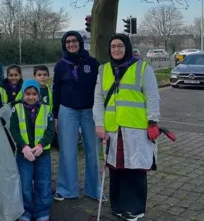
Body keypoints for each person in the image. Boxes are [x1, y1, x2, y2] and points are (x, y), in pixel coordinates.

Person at [93, 34, 160, 221]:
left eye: (120, 46)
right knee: (115, 168)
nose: (116, 50)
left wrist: (153, 121)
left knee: (135, 169)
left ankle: (135, 209)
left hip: (136, 129)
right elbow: (98, 99)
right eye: (113, 46)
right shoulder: (103, 70)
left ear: (127, 47)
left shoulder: (143, 68)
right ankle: (118, 206)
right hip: (113, 129)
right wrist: (99, 124)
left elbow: (152, 97)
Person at [53, 31, 101, 202]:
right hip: (67, 110)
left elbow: (100, 89)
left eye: (74, 41)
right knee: (67, 151)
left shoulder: (92, 63)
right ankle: (66, 189)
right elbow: (56, 91)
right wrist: (56, 115)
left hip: (90, 112)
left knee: (93, 151)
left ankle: (94, 190)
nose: (71, 44)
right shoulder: (60, 66)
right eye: (68, 41)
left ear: (80, 42)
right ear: (64, 44)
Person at [10, 79, 54, 221]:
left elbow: (50, 130)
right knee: (25, 183)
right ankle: (25, 210)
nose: (31, 97)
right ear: (23, 94)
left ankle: (42, 211)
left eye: (34, 94)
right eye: (27, 94)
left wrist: (41, 145)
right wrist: (23, 147)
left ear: (38, 95)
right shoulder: (16, 109)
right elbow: (14, 129)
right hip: (24, 154)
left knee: (43, 183)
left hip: (42, 153)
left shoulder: (47, 109)